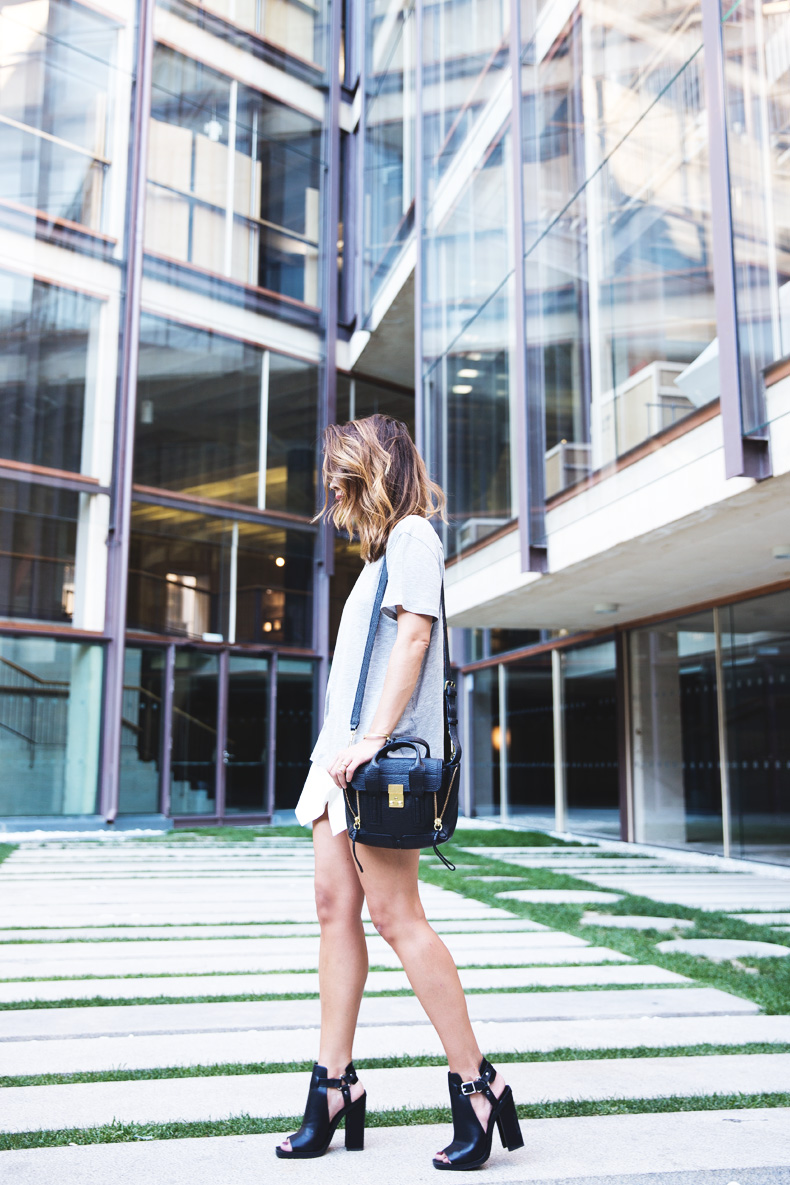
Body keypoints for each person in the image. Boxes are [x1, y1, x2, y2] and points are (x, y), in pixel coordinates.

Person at [275, 415, 524, 1170]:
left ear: (380, 470)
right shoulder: (381, 553)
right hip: (340, 761)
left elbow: (415, 638)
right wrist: (342, 751)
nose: (339, 494)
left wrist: (375, 740)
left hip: (374, 764)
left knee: (395, 915)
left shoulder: (416, 534)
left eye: (348, 478)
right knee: (334, 911)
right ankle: (334, 1083)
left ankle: (478, 1082)